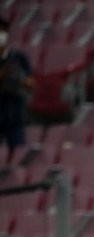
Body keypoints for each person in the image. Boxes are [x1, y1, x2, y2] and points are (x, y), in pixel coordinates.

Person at [0, 17, 32, 161]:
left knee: (17, 147)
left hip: (14, 107)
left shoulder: (18, 57)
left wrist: (21, 78)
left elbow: (31, 83)